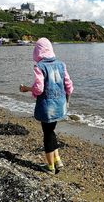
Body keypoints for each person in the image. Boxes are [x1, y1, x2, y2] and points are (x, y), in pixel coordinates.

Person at [20, 37, 73, 175]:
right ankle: (58, 161)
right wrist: (67, 102)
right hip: (60, 105)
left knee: (47, 134)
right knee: (51, 131)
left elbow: (39, 89)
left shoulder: (40, 67)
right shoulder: (61, 64)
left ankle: (50, 167)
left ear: (37, 51)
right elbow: (69, 87)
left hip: (47, 108)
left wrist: (26, 88)